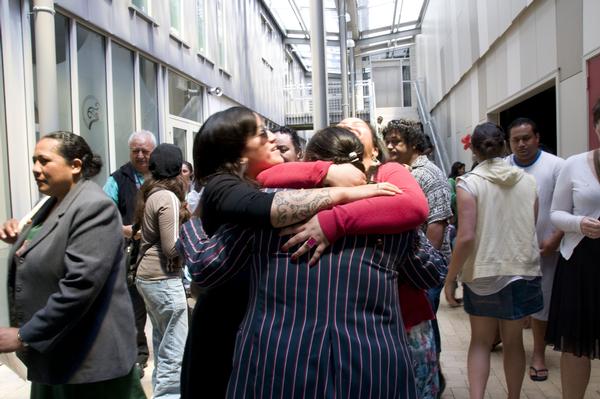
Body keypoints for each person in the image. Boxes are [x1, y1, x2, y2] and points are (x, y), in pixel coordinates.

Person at [179, 126, 442, 398]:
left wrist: (193, 223)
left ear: (308, 162)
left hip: (276, 370)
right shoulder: (391, 213)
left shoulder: (267, 211)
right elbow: (431, 273)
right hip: (373, 368)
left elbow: (205, 267)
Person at [0, 132, 145, 399]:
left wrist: (23, 335)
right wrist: (20, 236)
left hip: (89, 362)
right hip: (58, 352)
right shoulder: (50, 203)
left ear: (76, 165)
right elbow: (44, 249)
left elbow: (80, 285)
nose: (35, 168)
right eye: (34, 160)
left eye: (44, 160)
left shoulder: (93, 206)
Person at [443, 122, 542, 399]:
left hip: (483, 273)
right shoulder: (529, 181)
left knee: (480, 342)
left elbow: (465, 238)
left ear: (474, 150)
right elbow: (530, 227)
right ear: (506, 146)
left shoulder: (468, 183)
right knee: (513, 343)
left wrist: (450, 278)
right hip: (522, 270)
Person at [383, 119, 453, 390]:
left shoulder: (425, 173)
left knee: (426, 328)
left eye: (397, 141)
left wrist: (424, 271)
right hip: (416, 267)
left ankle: (432, 382)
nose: (390, 145)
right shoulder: (408, 170)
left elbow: (436, 224)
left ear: (413, 143)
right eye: (388, 139)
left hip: (423, 268)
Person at [545, 99, 600, 399]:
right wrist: (579, 223)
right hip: (580, 264)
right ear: (595, 126)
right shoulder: (575, 164)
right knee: (576, 346)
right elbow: (556, 213)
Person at [506, 117, 564, 382]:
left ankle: (538, 354)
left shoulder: (556, 167)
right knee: (513, 302)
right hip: (511, 253)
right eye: (515, 140)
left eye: (526, 138)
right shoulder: (503, 168)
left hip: (546, 249)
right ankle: (512, 350)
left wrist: (556, 237)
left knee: (543, 300)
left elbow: (570, 207)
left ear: (537, 138)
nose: (521, 144)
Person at [133, 144, 189, 399]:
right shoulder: (167, 197)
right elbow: (171, 248)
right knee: (175, 355)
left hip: (148, 279)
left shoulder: (151, 192)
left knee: (163, 344)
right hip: (163, 279)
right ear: (178, 170)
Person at [103, 130, 156, 375]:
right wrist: (123, 230)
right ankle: (138, 354)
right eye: (136, 150)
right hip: (129, 252)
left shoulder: (161, 175)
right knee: (133, 304)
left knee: (162, 303)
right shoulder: (118, 178)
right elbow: (103, 212)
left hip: (160, 250)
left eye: (145, 150)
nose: (141, 155)